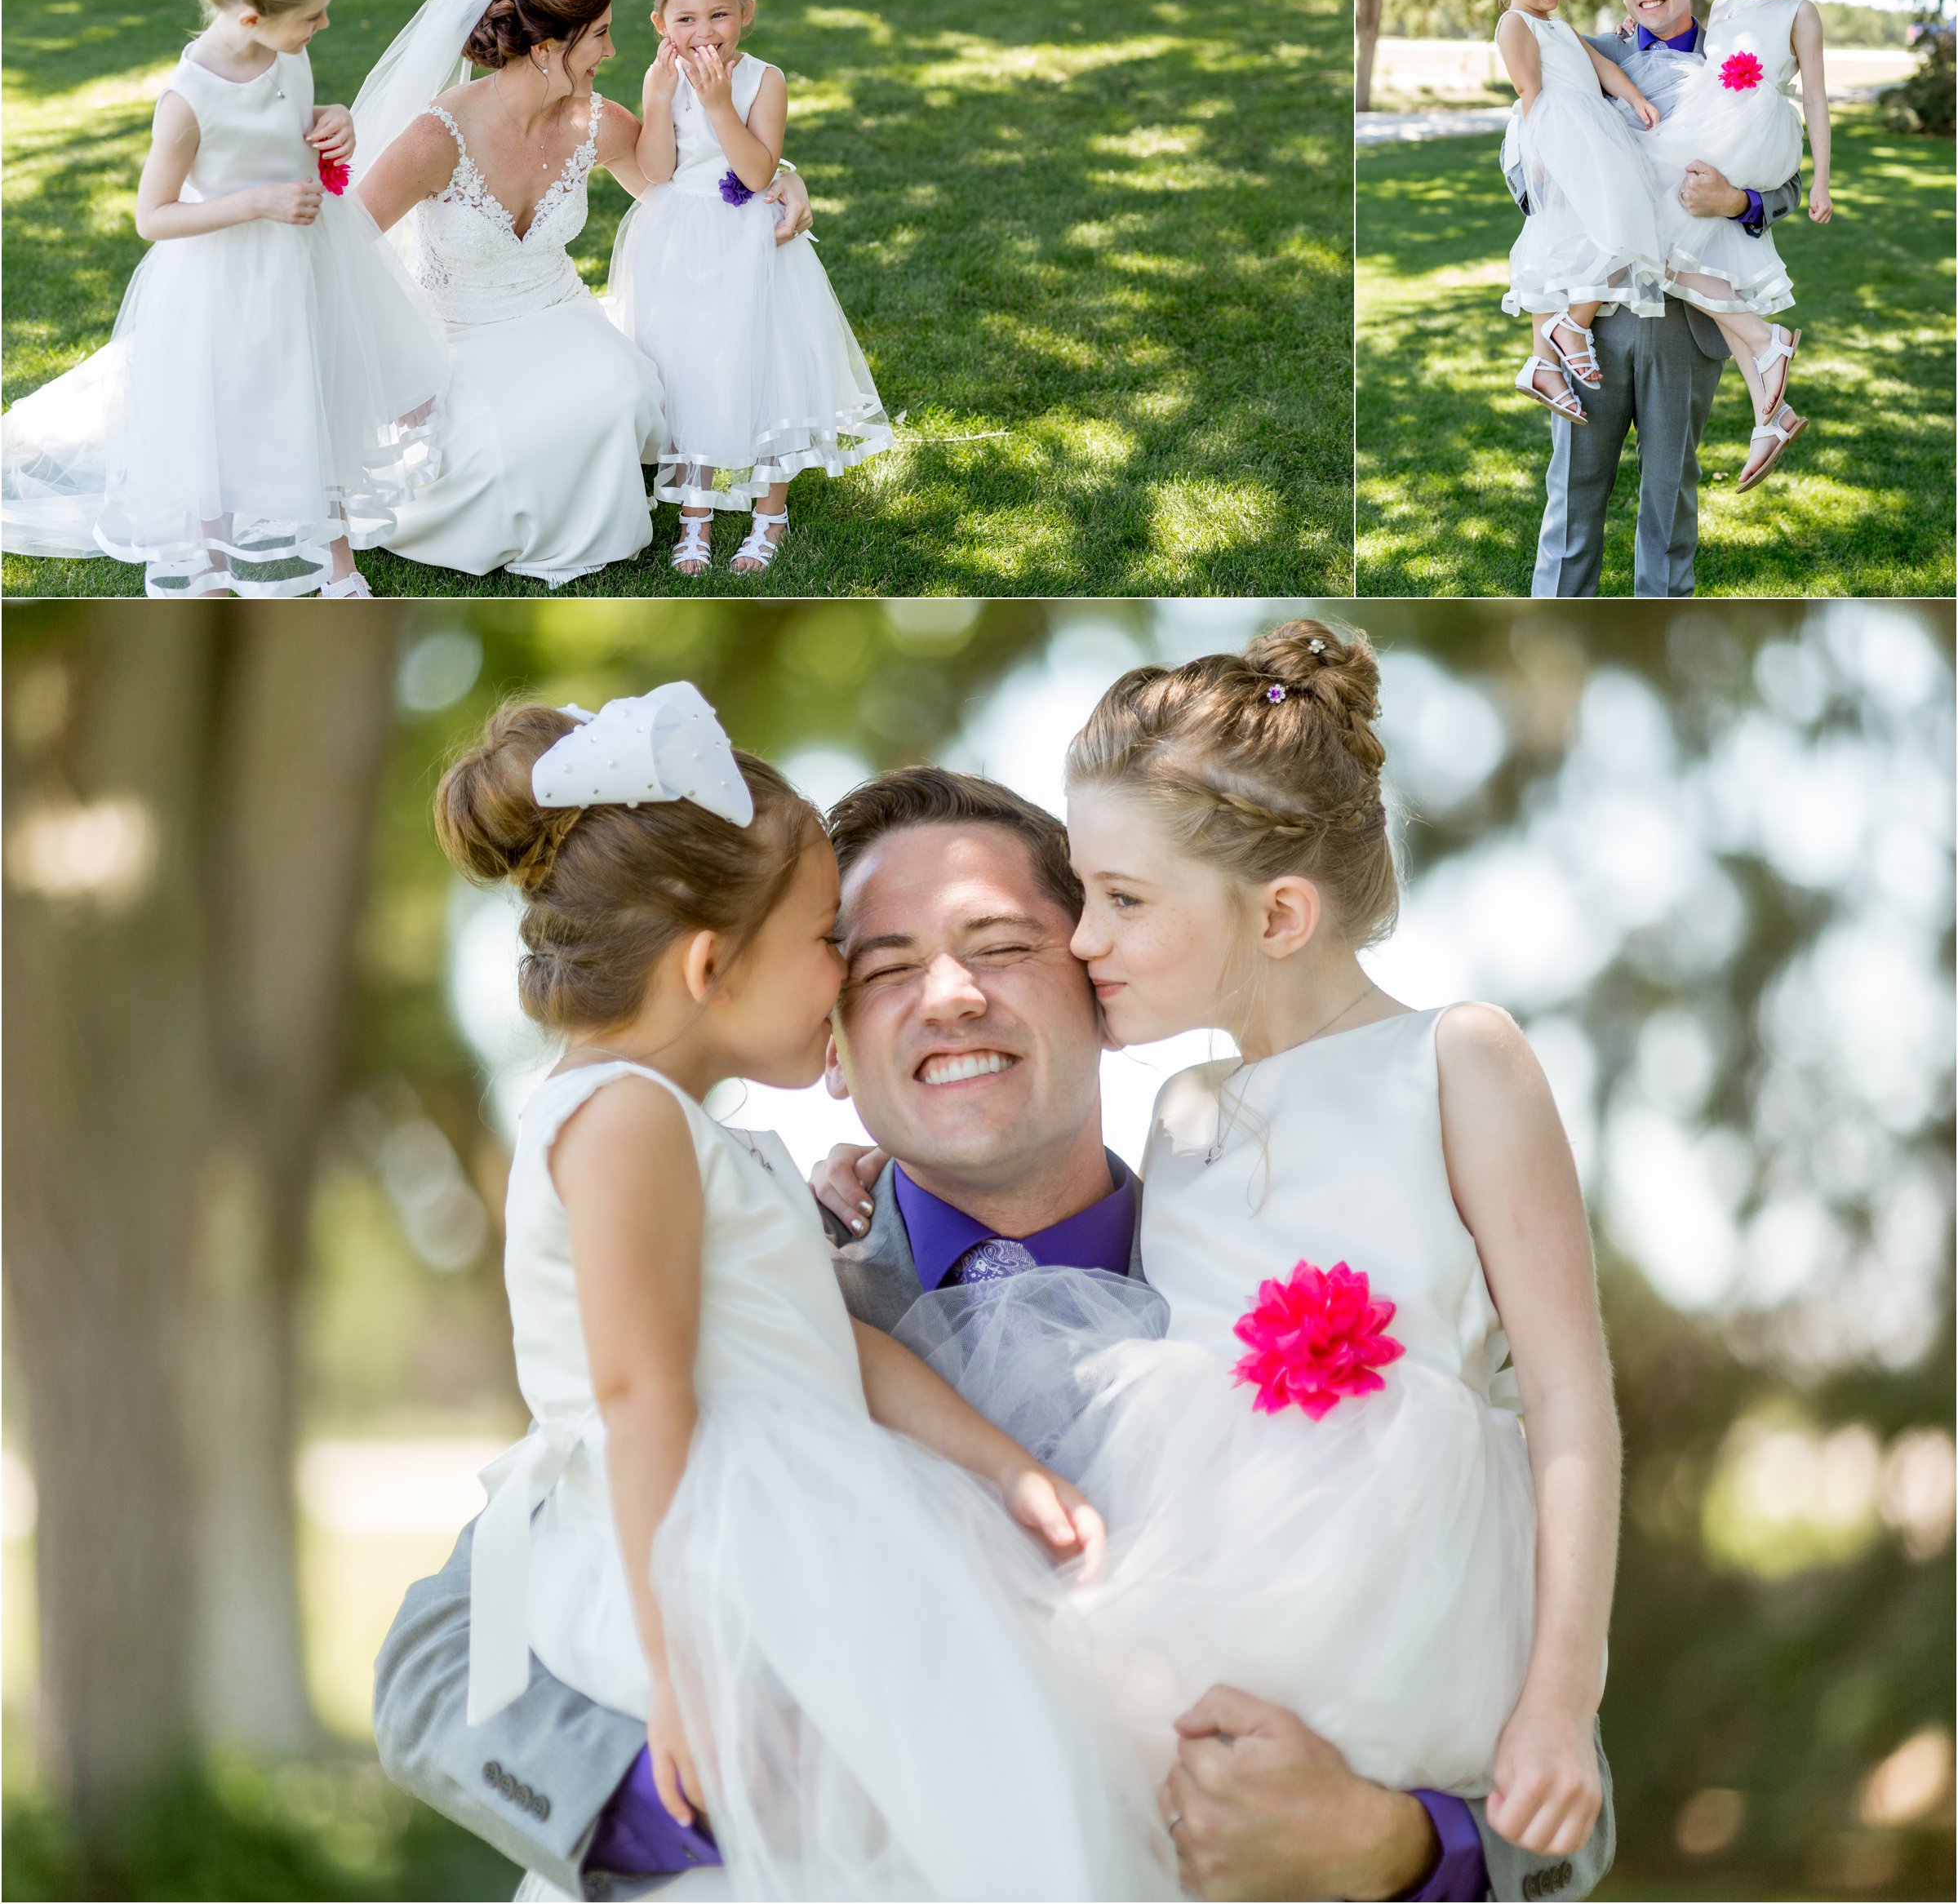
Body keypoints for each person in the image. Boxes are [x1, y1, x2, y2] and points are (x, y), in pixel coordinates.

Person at [374, 758, 1616, 1904]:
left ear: (1095, 970)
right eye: (878, 963)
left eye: (1003, 942)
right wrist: (727, 1812)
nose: (948, 994)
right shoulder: (751, 1301)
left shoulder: (1288, 1290)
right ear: (830, 1040)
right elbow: (436, 1668)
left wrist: (1386, 1843)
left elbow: (1556, 1802)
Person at [432, 684, 1171, 1902]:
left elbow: (820, 1342)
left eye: (997, 945)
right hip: (720, 1575)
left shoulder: (1239, 1251)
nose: (939, 994)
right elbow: (634, 1396)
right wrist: (677, 1683)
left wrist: (1006, 1468)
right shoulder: (626, 1124)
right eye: (852, 948)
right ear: (715, 964)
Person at [900, 624, 1619, 1862]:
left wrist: (1560, 1698)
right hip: (1190, 1610)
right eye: (1083, 896)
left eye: (1122, 899)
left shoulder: (1455, 1060)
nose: (1082, 939)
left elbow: (1568, 1398)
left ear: (1279, 911)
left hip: (1401, 1605)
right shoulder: (1179, 1120)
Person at [0, 0, 445, 595]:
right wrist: (256, 201)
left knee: (316, 392)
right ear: (249, 14)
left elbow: (287, 125)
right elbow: (154, 216)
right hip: (227, 274)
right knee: (223, 415)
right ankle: (208, 567)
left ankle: (337, 567)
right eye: (313, 14)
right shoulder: (187, 100)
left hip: (305, 259)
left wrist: (333, 120)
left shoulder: (283, 51)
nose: (323, 24)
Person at [349, 0, 810, 584]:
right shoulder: (437, 135)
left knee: (621, 394)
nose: (612, 52)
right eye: (597, 36)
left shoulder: (594, 122)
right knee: (502, 447)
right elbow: (345, 245)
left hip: (555, 312)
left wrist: (782, 179)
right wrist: (397, 362)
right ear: (546, 49)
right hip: (459, 330)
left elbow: (680, 189)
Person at [1511, 0, 1805, 597]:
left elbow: (1784, 175)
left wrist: (1735, 200)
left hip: (1688, 325)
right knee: (1571, 496)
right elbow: (1524, 150)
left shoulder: (1742, 57)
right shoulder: (1583, 51)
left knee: (1669, 505)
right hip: (1597, 319)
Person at [607, 0, 894, 577]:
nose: (703, 31)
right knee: (689, 372)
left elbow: (760, 170)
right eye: (685, 17)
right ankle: (695, 515)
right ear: (660, 22)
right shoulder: (662, 79)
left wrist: (716, 106)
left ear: (746, 14)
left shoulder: (764, 79)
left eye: (719, 14)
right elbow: (655, 171)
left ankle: (770, 514)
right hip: (681, 240)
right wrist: (658, 98)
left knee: (768, 368)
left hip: (752, 239)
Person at [1641, 0, 1829, 490]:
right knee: (1707, 258)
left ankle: (1764, 336)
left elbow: (1818, 101)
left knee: (1651, 241)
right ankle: (1768, 414)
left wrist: (1822, 177)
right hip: (1710, 120)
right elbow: (1692, 58)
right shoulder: (1719, 8)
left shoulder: (1799, 13)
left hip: (1756, 130)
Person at [1485, 0, 1667, 425]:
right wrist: (1540, 156)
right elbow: (1529, 91)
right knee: (1585, 233)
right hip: (1556, 138)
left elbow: (1602, 66)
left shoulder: (1558, 25)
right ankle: (1566, 332)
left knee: (1609, 230)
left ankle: (1546, 361)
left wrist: (1634, 99)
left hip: (1591, 135)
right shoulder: (1514, 23)